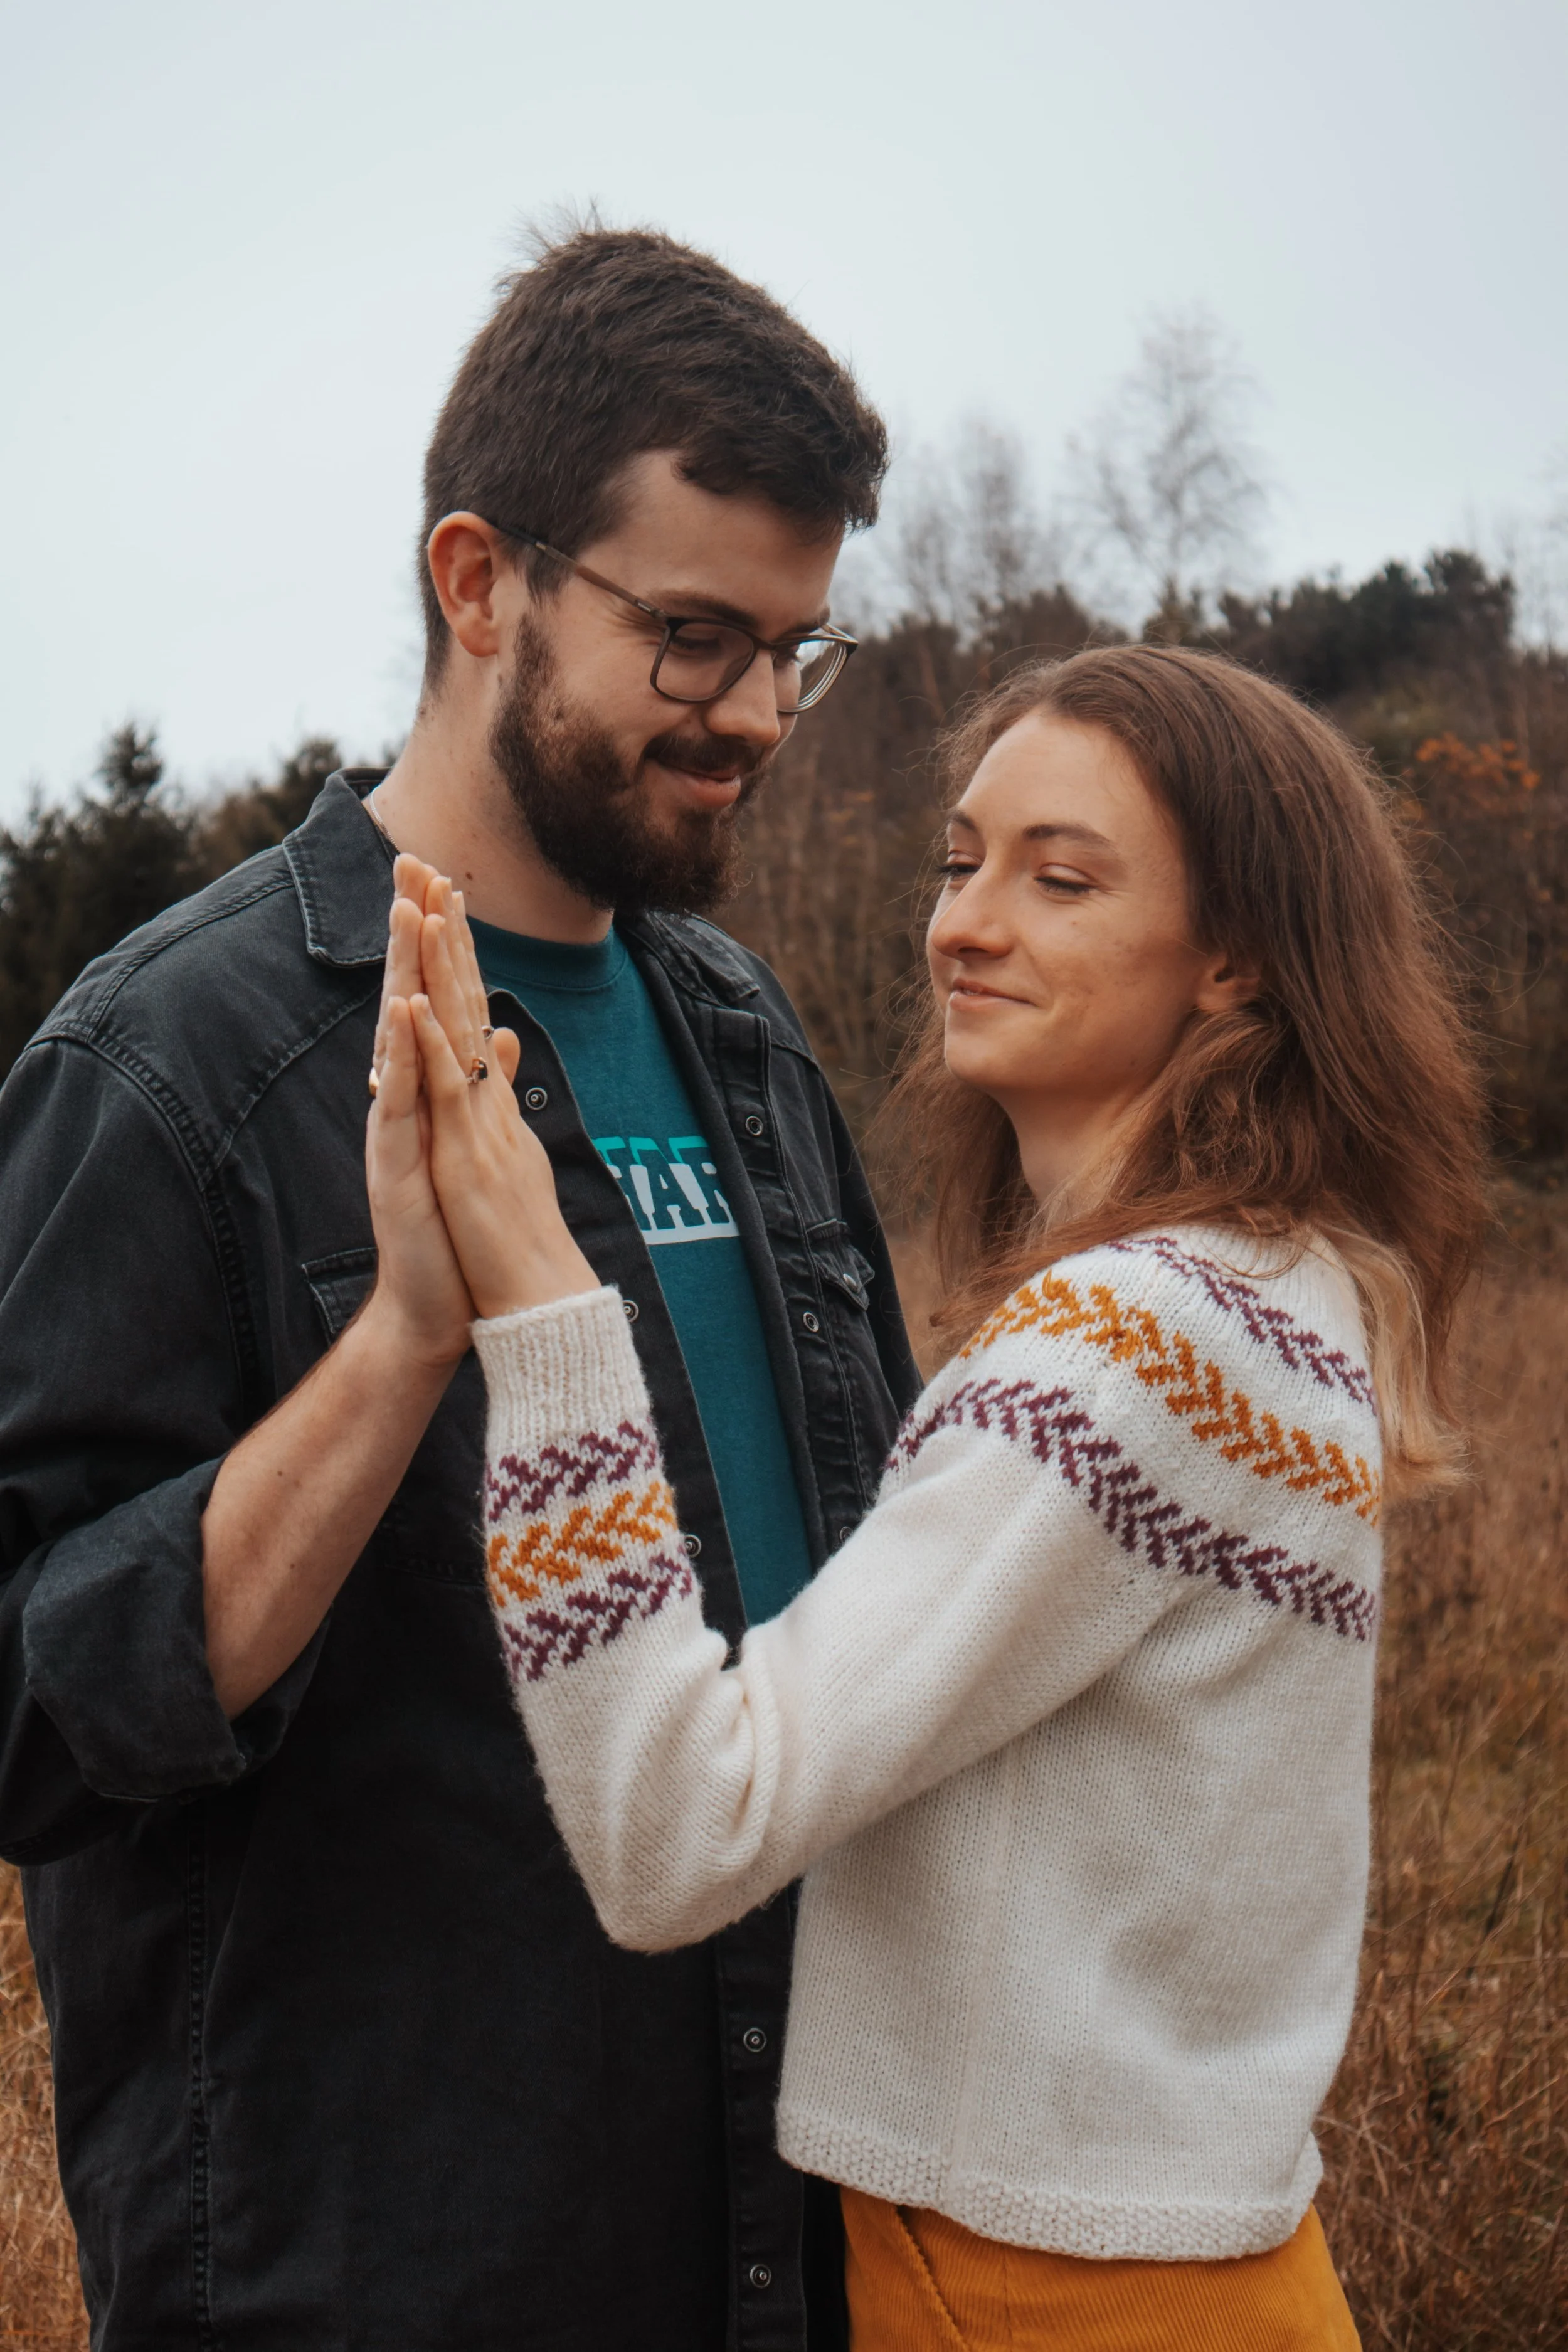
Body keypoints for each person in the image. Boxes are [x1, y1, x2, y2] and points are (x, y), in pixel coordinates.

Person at [0, 228, 916, 2350]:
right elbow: (33, 1716)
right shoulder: (171, 1070)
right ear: (480, 581)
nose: (760, 715)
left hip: (803, 2240)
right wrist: (401, 1341)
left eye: (799, 649)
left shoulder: (752, 1042)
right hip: (399, 2269)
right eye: (695, 639)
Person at [371, 644, 1488, 2351]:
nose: (963, 923)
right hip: (1204, 2265)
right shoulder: (1292, 1288)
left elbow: (680, 1831)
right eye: (960, 861)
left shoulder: (1129, 1345)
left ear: (1233, 966)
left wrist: (539, 1305)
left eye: (1063, 878)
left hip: (1041, 2291)